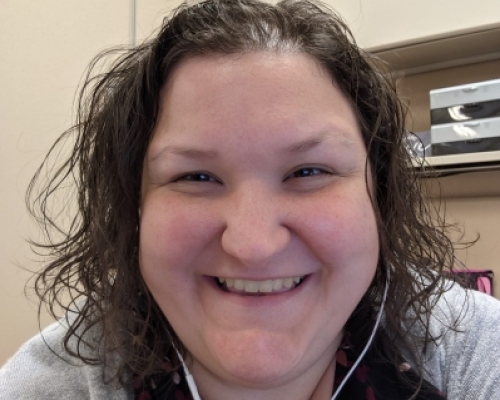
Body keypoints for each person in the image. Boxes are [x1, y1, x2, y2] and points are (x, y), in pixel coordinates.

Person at [1, 0, 499, 399]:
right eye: (195, 175)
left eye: (309, 171)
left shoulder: (473, 356)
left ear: (378, 193)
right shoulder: (50, 385)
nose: (253, 244)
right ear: (134, 207)